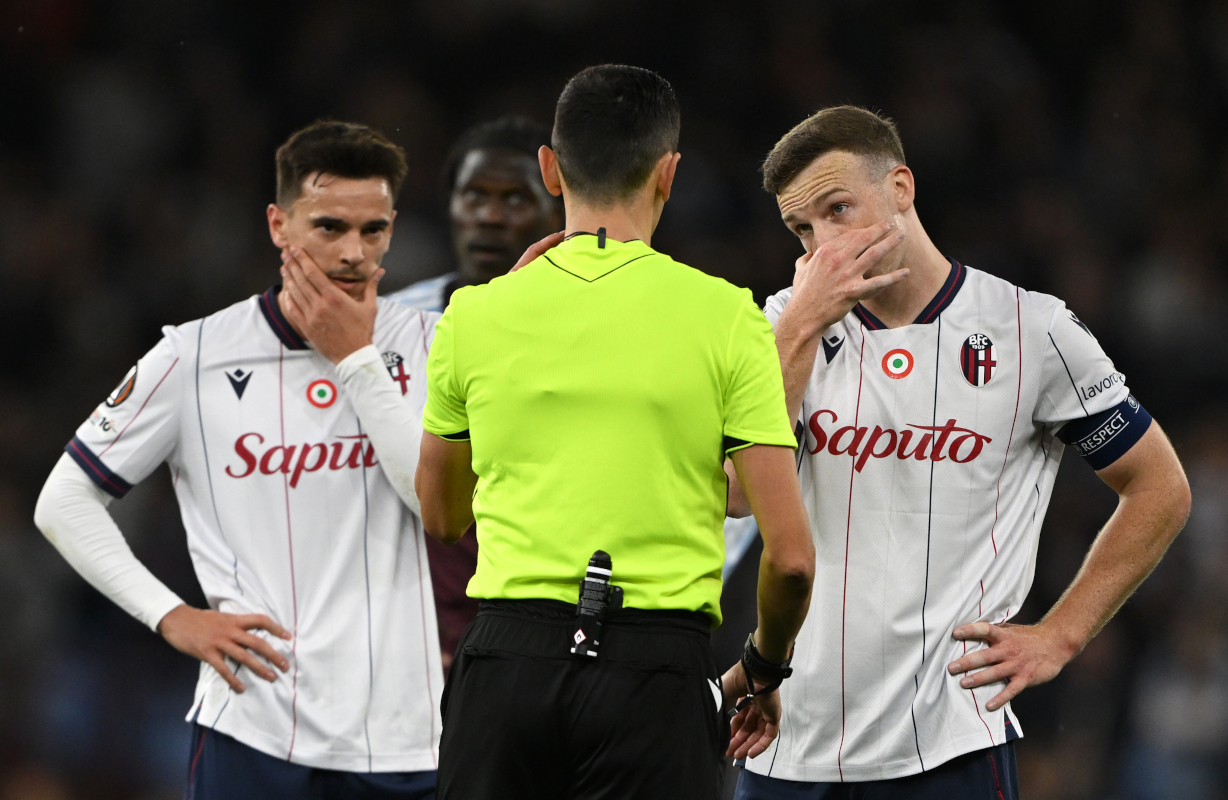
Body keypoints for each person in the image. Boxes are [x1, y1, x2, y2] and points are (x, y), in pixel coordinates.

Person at [727, 106, 1192, 799]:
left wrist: (1061, 634)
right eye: (802, 228)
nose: (823, 243)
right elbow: (736, 497)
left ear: (902, 190)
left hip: (949, 749)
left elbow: (1159, 487)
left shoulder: (1030, 331)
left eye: (838, 209)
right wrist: (799, 327)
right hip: (786, 744)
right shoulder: (777, 328)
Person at [415, 65, 816, 800]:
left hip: (505, 668)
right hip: (654, 675)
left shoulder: (471, 318)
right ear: (669, 173)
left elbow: (443, 517)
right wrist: (764, 667)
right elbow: (790, 560)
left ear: (548, 168)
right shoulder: (728, 318)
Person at [33, 120, 443, 800]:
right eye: (329, 226)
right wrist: (172, 616)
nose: (352, 252)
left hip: (402, 738)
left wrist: (357, 362)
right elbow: (64, 502)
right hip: (252, 732)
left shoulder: (435, 345)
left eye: (373, 230)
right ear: (278, 225)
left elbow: (438, 511)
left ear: (393, 229)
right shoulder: (195, 356)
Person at [388, 115, 563, 672]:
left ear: (558, 211)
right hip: (410, 631)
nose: (489, 216)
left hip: (548, 627)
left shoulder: (589, 328)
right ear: (450, 207)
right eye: (474, 196)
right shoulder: (387, 329)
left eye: (515, 198)